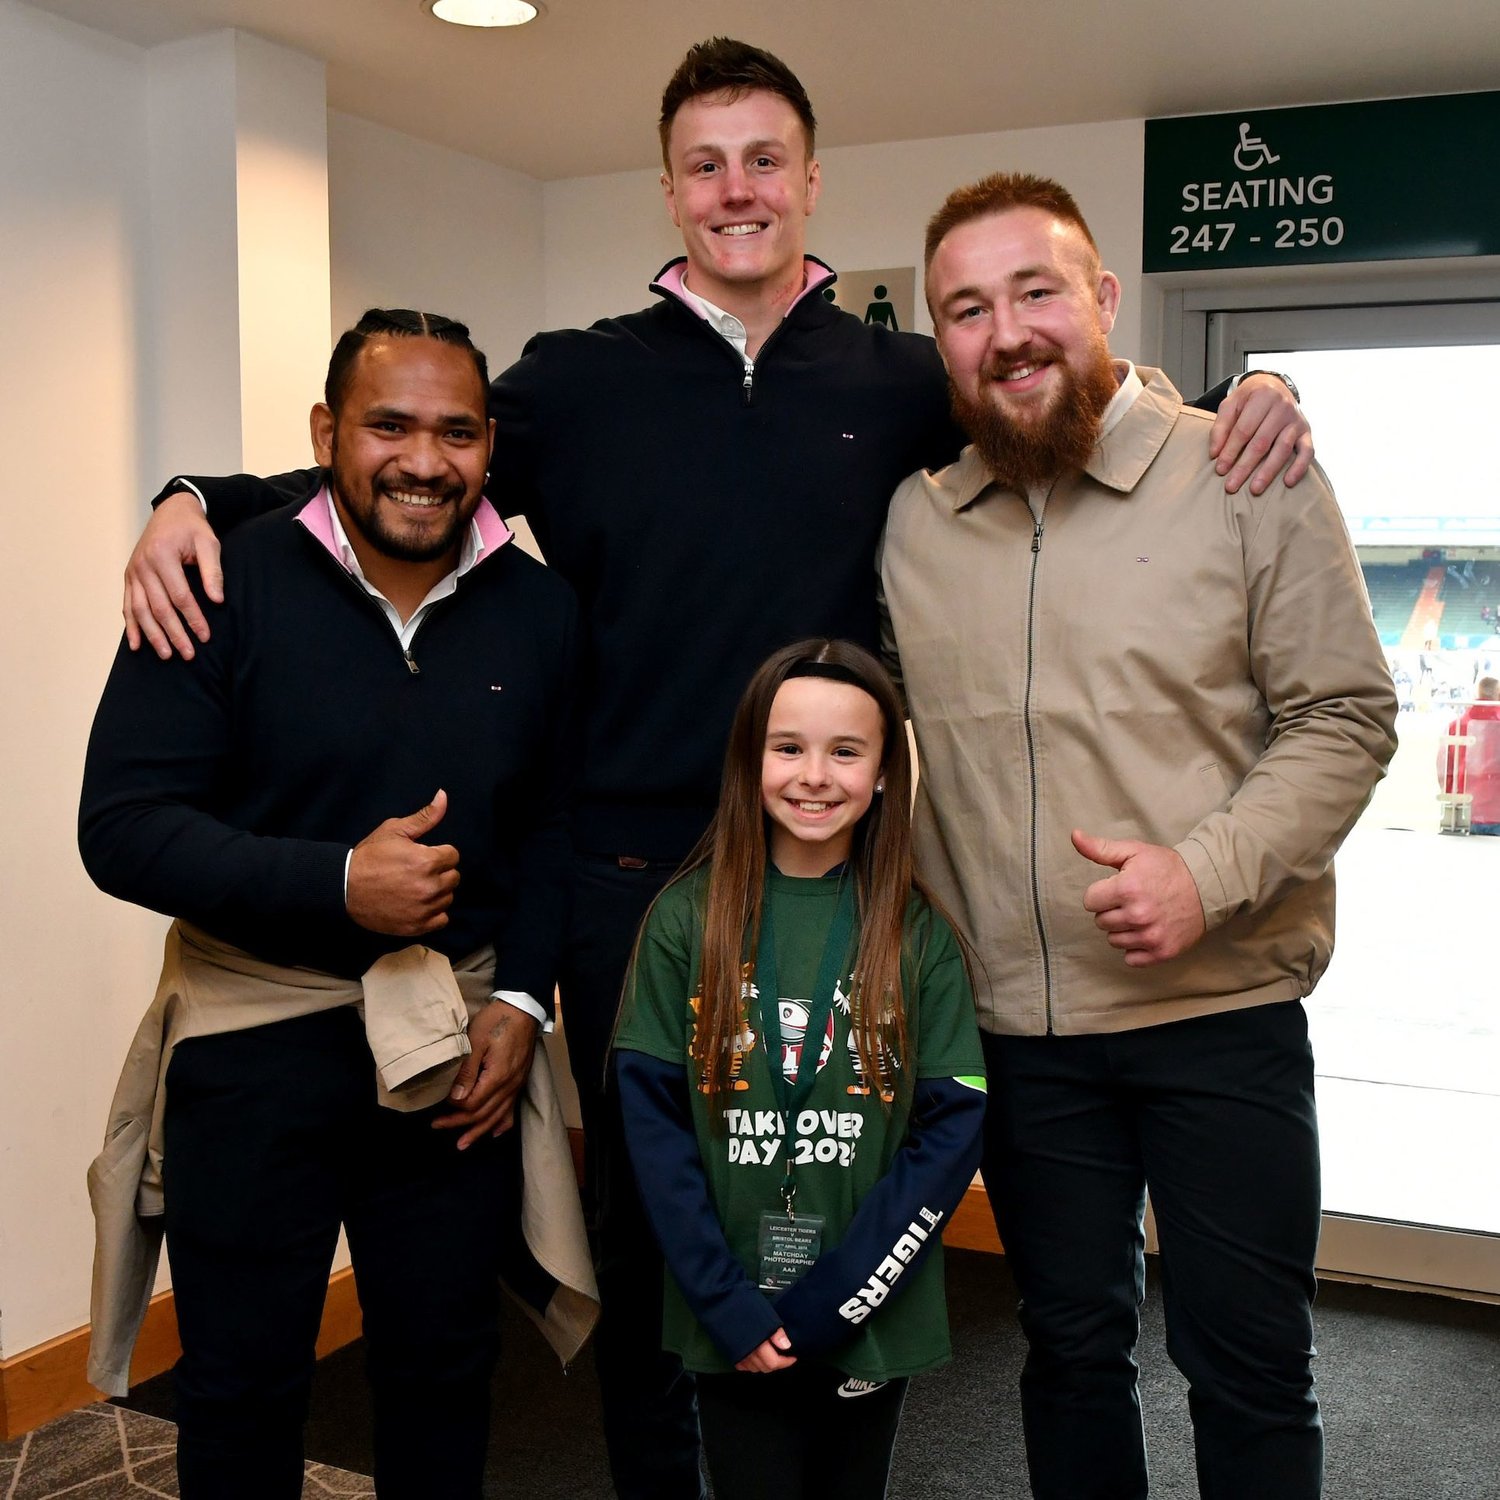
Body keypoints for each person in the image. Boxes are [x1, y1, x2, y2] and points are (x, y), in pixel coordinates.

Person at [112, 39, 1314, 1498]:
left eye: (764, 160)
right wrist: (196, 495)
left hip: (842, 875)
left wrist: (1240, 389)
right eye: (704, 163)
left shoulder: (898, 378)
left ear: (812, 181)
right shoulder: (571, 384)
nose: (736, 190)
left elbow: (1049, 387)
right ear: (670, 190)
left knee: (840, 1203)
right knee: (652, 1243)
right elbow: (406, 466)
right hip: (631, 889)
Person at [879, 173, 1399, 1499]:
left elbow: (1345, 714)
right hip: (1022, 1040)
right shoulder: (913, 523)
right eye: (968, 309)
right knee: (1067, 1358)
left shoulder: (1242, 466)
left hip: (1218, 1018)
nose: (1009, 332)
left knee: (1248, 1371)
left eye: (1038, 291)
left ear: (1106, 301)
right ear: (938, 340)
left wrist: (1203, 872)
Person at [79, 309, 584, 1500]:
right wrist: (335, 884)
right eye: (389, 425)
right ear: (326, 434)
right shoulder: (217, 580)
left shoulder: (537, 608)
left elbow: (558, 824)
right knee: (243, 1390)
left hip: (453, 1049)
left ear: (490, 445)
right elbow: (122, 828)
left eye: (457, 431)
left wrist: (523, 995)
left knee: (446, 1372)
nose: (424, 459)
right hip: (251, 1046)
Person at [613, 639, 986, 1500]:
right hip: (730, 1309)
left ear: (885, 771)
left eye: (846, 751)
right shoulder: (685, 920)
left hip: (866, 1310)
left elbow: (951, 1128)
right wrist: (726, 1301)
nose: (815, 775)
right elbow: (653, 1133)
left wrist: (843, 1298)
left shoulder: (916, 933)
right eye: (788, 748)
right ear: (750, 761)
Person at [1438, 675, 1500, 834]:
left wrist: (1453, 799)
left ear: (1477, 695)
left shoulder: (1456, 726)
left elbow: (1444, 770)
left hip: (1465, 811)